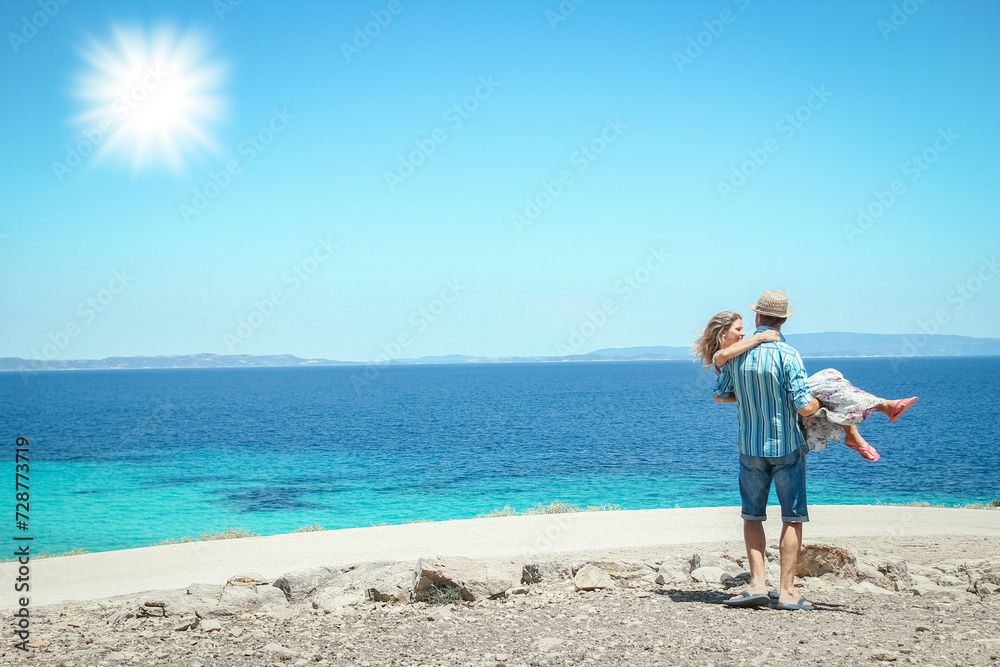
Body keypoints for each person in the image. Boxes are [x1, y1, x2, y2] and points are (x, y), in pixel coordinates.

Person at [710, 290, 819, 610]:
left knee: (752, 516)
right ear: (783, 320)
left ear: (757, 317)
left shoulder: (734, 354)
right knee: (792, 518)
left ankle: (757, 584)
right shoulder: (789, 355)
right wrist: (819, 403)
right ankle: (787, 592)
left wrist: (746, 396)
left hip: (750, 446)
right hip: (786, 445)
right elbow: (804, 407)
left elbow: (720, 395)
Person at [693, 311, 917, 461]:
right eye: (738, 330)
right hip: (779, 418)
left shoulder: (742, 354)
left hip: (775, 406)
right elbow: (720, 390)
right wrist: (760, 338)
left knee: (831, 379)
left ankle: (872, 418)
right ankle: (879, 412)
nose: (743, 333)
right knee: (829, 380)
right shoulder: (726, 354)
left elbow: (726, 394)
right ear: (723, 334)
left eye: (744, 329)